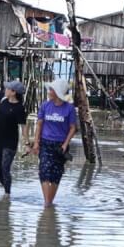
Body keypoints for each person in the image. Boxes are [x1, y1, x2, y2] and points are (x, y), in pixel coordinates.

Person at [0, 70, 29, 196]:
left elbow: (24, 126)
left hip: (10, 143)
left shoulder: (20, 108)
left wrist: (27, 143)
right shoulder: (3, 100)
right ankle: (6, 189)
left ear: (13, 92)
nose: (5, 89)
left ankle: (7, 194)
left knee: (5, 168)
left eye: (8, 88)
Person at [32, 79, 77, 207]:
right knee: (44, 171)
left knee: (56, 175)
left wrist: (65, 144)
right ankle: (47, 202)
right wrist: (36, 143)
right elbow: (39, 125)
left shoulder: (69, 109)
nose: (49, 92)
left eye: (51, 90)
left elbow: (73, 128)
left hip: (60, 145)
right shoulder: (45, 106)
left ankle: (49, 202)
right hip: (45, 143)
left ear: (57, 92)